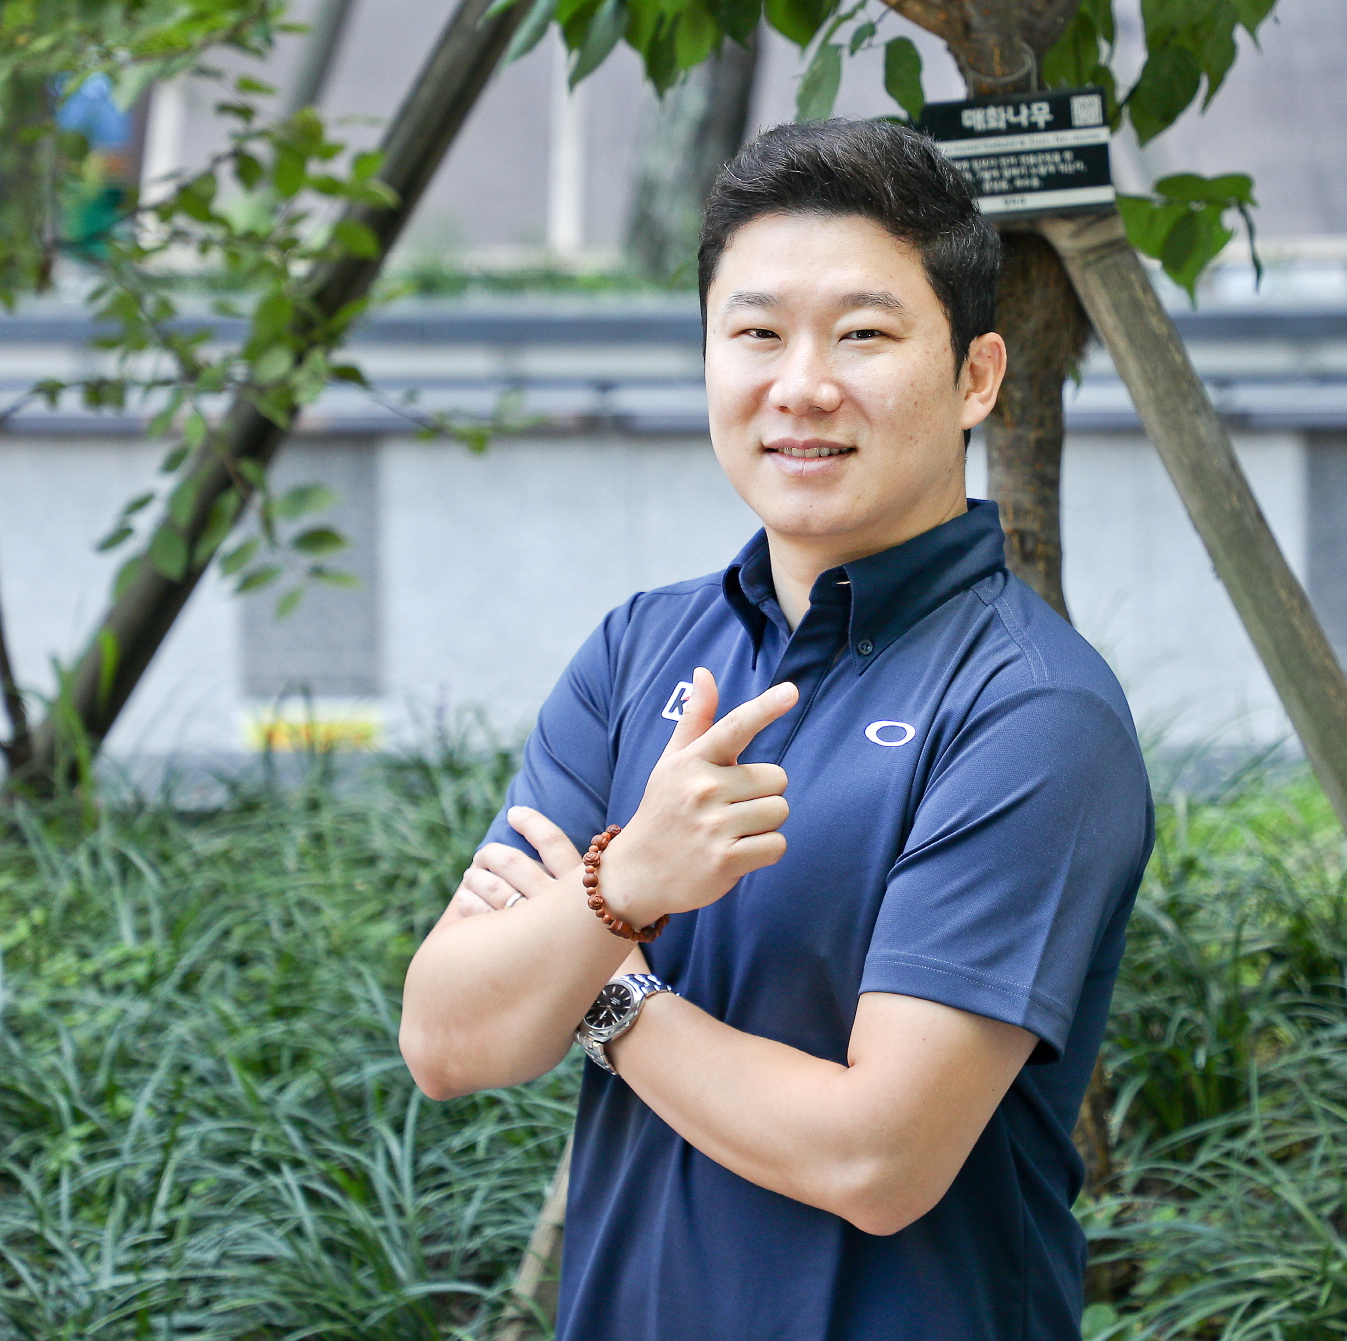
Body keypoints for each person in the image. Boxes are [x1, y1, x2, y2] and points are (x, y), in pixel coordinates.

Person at [399, 117, 1153, 1341]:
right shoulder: (637, 649)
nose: (800, 385)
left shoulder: (1029, 712)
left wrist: (603, 988)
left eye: (862, 335)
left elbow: (876, 1156)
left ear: (975, 376)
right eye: (754, 334)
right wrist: (623, 887)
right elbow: (447, 1037)